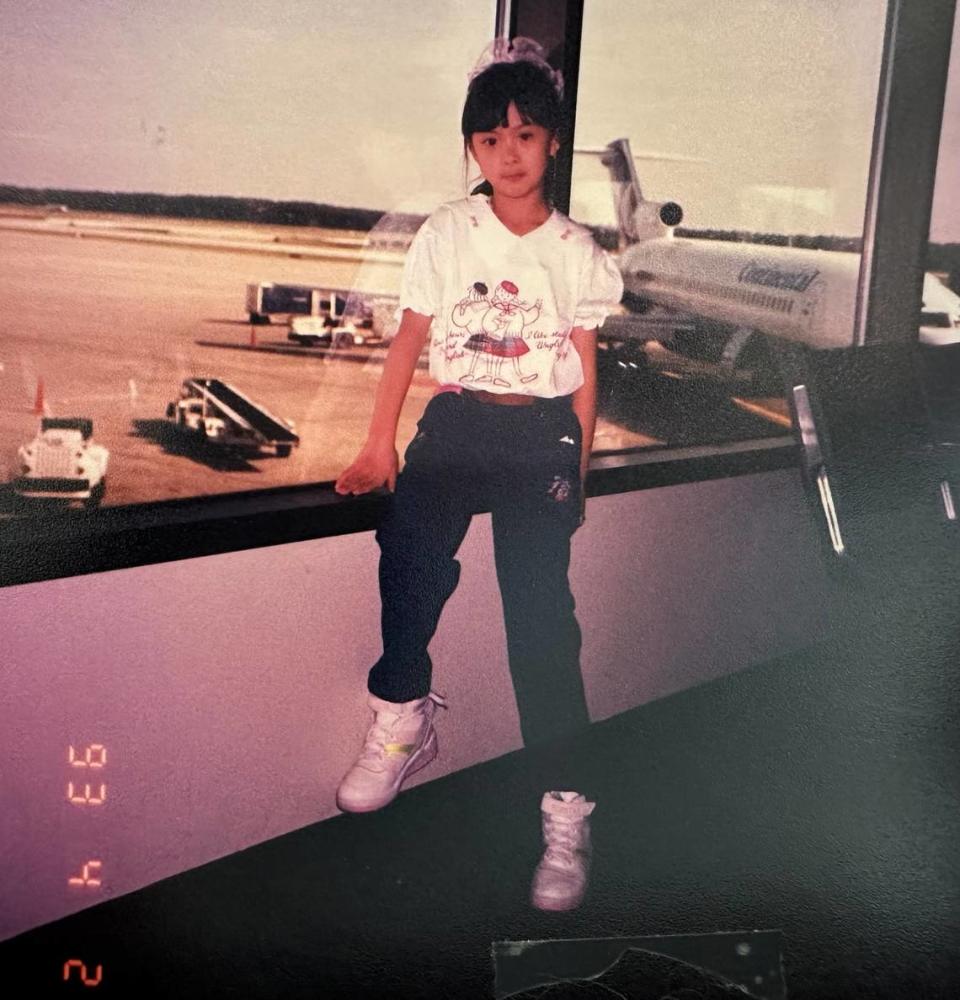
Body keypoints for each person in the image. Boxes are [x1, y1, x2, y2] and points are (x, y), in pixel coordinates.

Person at [333, 37, 623, 912]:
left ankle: (565, 811)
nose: (509, 151)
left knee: (541, 619)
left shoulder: (576, 251)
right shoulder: (446, 233)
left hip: (538, 438)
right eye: (492, 138)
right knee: (409, 566)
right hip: (454, 426)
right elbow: (411, 340)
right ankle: (402, 712)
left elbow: (582, 362)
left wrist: (580, 460)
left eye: (527, 134)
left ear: (552, 145)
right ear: (472, 150)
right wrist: (379, 444)